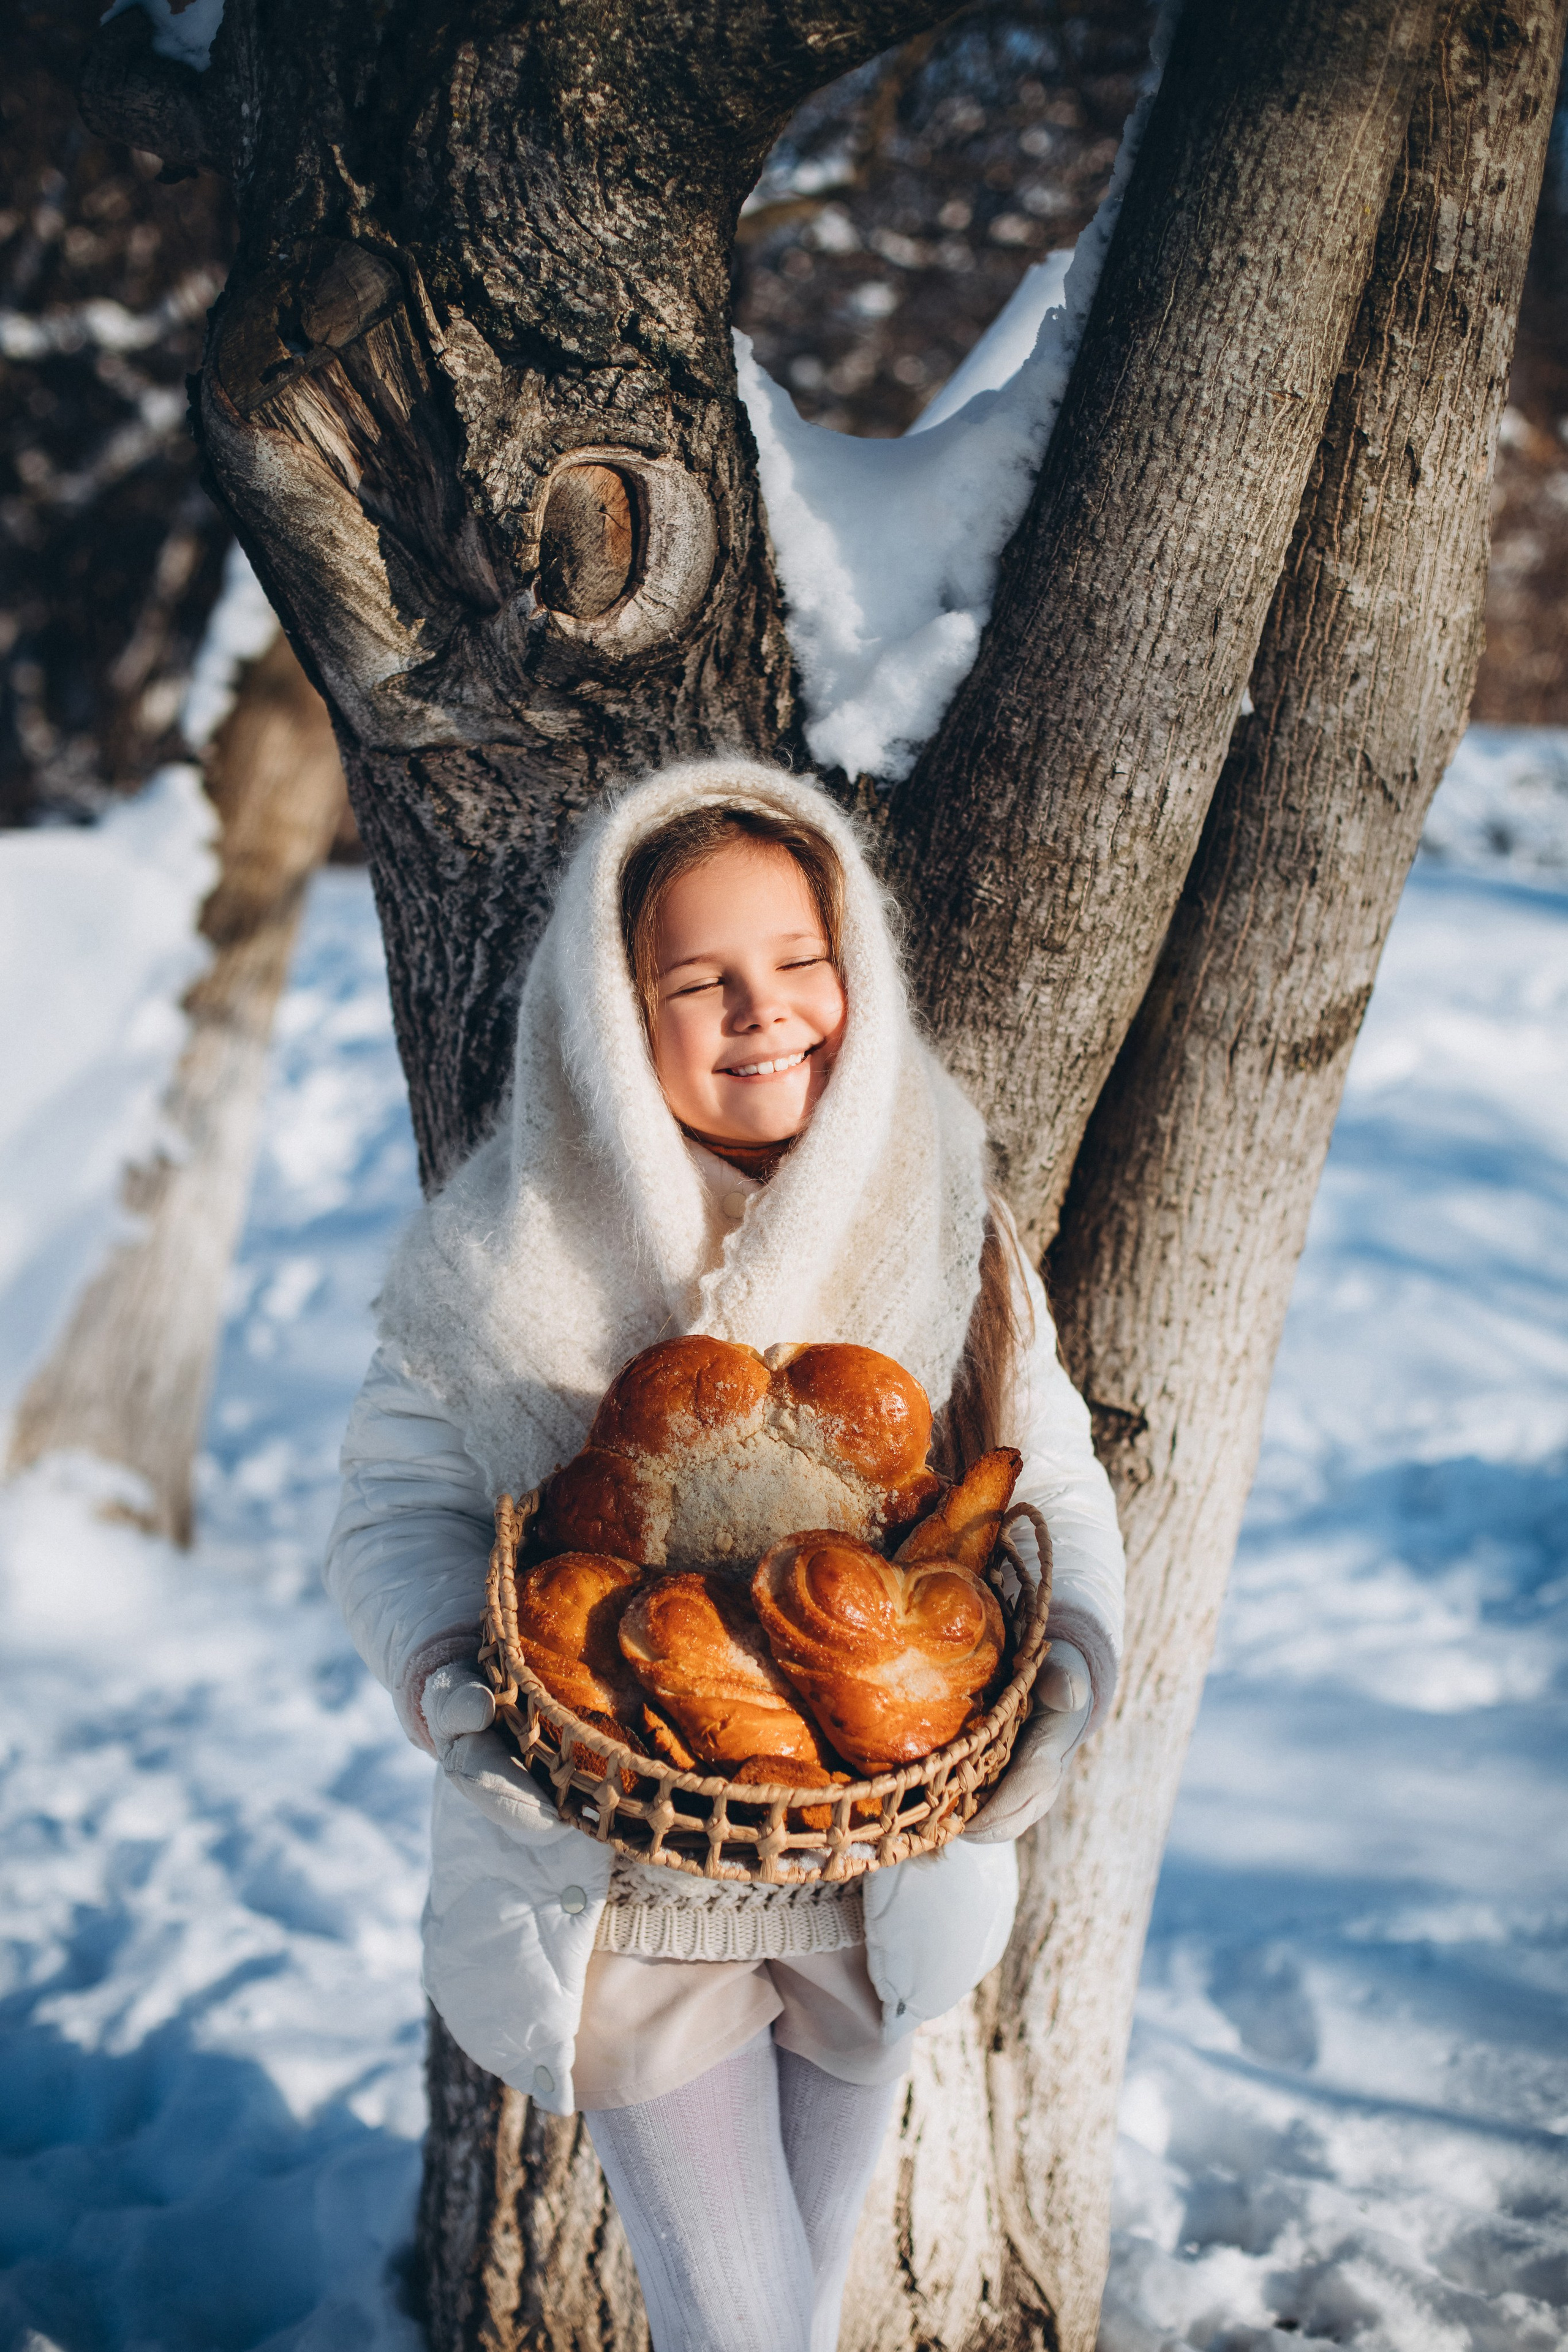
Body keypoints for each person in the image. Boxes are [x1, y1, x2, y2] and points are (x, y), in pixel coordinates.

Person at [326, 758, 1125, 2352]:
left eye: (797, 962)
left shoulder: (947, 1224)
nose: (765, 1012)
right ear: (621, 1014)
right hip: (627, 1899)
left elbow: (1056, 1481)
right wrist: (455, 1688)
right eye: (701, 982)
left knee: (800, 2310)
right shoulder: (512, 1247)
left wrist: (1070, 1679)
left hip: (885, 1884)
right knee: (746, 2332)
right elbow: (393, 1508)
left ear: (860, 966)